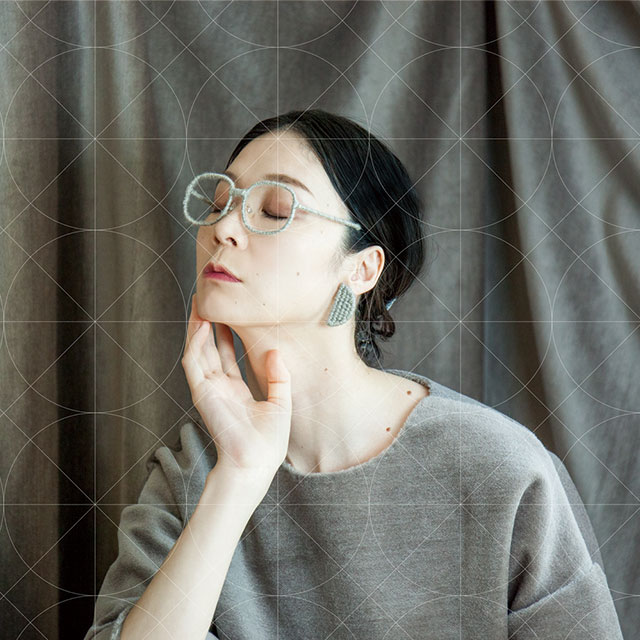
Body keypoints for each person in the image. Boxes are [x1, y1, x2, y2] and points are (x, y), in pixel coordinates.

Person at [84, 109, 623, 639]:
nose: (223, 228)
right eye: (219, 203)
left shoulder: (499, 469)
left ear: (362, 268)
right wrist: (238, 478)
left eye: (275, 209)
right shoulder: (191, 477)